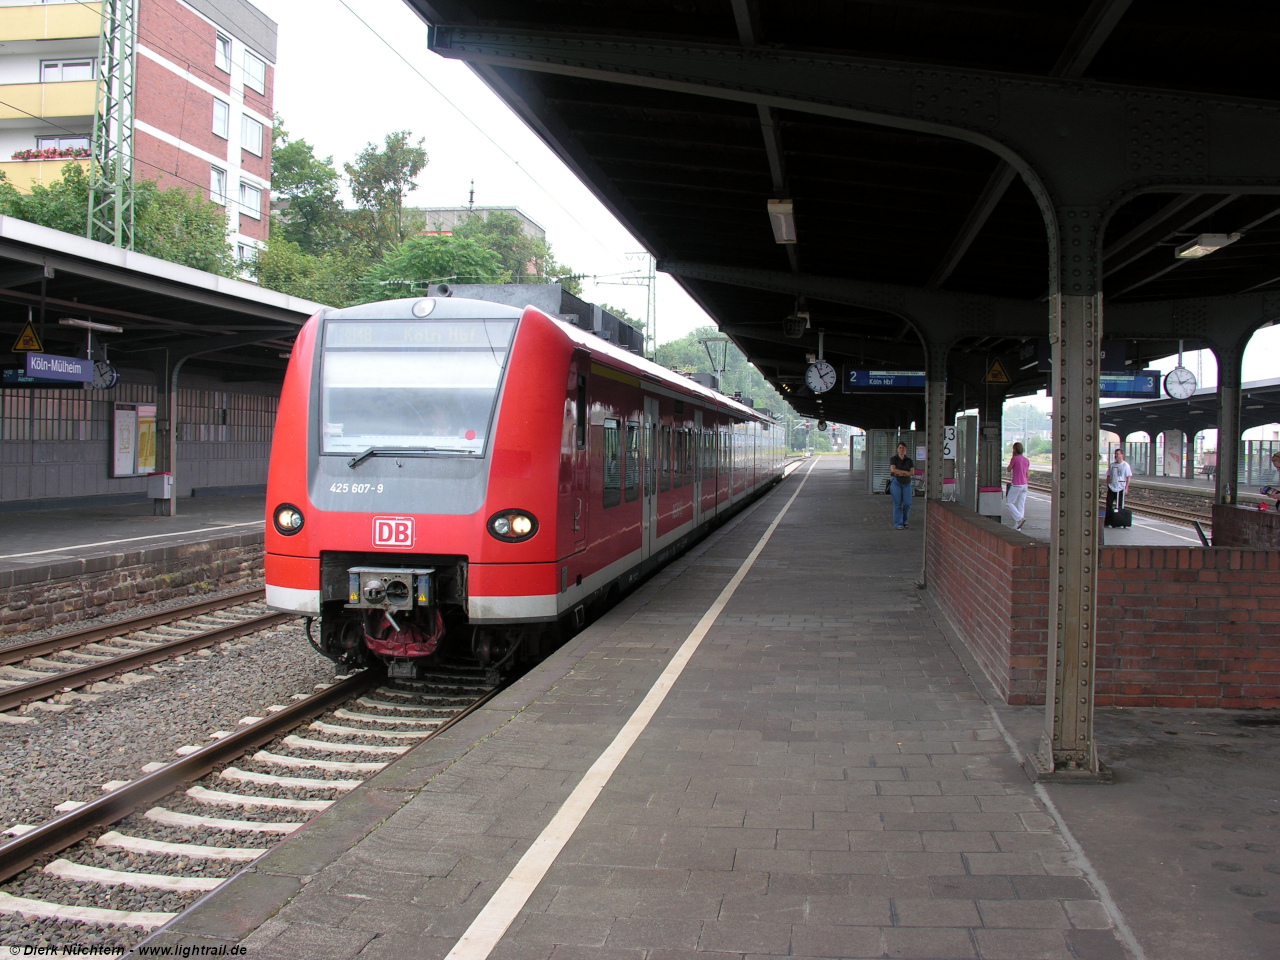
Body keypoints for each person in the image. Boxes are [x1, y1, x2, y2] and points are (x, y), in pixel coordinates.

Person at [889, 441, 915, 529]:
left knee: (907, 503)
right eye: (900, 448)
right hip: (896, 482)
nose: (901, 449)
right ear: (897, 449)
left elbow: (912, 473)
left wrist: (900, 472)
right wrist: (905, 472)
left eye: (903, 448)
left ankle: (905, 521)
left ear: (906, 449)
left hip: (906, 483)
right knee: (898, 503)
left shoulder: (909, 460)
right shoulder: (893, 459)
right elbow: (893, 470)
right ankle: (898, 524)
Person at [1006, 442, 1030, 530]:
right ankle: (1018, 527)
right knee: (1021, 505)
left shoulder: (1015, 459)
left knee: (1009, 502)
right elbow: (1027, 474)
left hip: (1017, 484)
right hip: (1024, 485)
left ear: (1014, 449)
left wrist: (1012, 457)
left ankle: (1020, 519)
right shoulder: (1026, 460)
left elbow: (1008, 469)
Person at [1105, 446, 1133, 523]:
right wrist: (1108, 484)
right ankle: (1108, 520)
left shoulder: (1125, 465)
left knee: (1120, 504)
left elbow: (1128, 477)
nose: (1116, 456)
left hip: (1121, 487)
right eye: (1115, 454)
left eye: (1118, 454)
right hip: (1112, 487)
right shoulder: (1112, 465)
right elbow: (1108, 475)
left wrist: (1126, 488)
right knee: (1109, 504)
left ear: (1122, 455)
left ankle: (1119, 520)